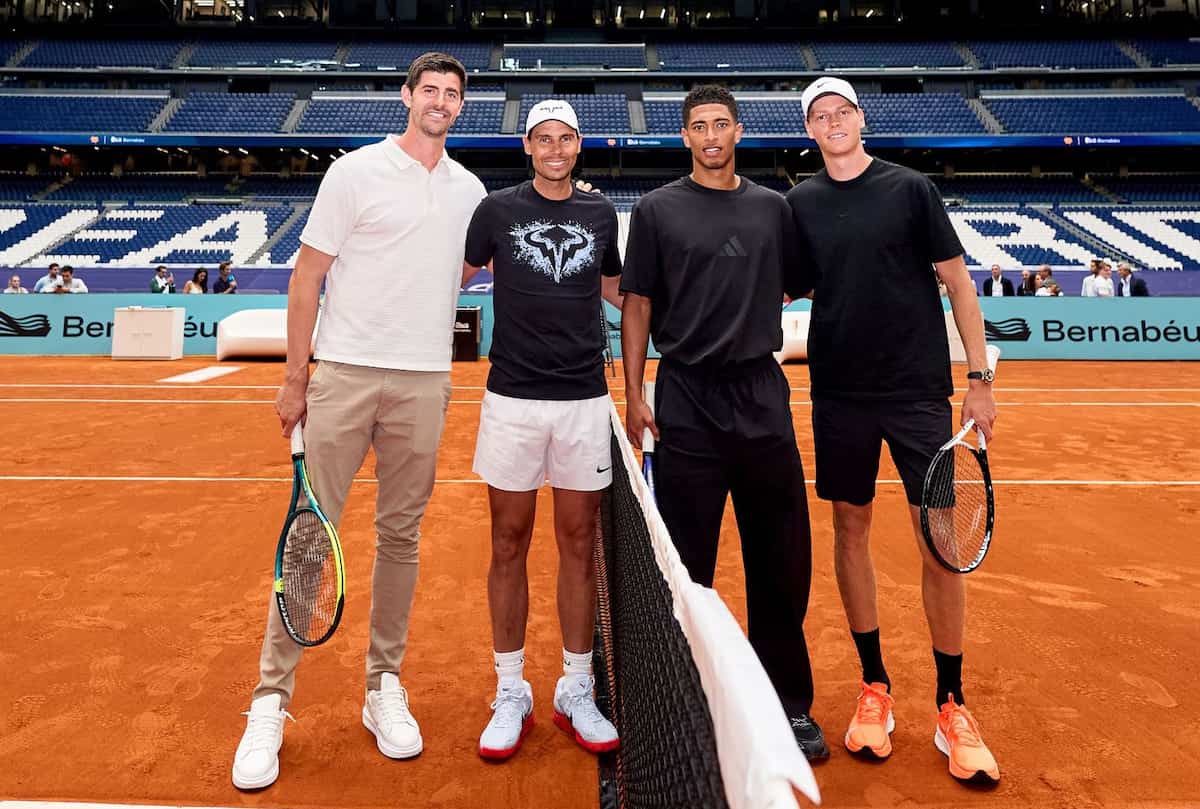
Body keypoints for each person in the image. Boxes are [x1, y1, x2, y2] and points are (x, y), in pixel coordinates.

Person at [232, 51, 486, 791]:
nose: (439, 101)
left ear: (462, 106)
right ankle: (271, 701)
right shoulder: (353, 172)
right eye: (429, 90)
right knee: (313, 534)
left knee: (401, 536)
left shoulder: (470, 191)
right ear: (407, 97)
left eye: (452, 94)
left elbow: (464, 272)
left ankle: (383, 687)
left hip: (425, 382)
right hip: (343, 374)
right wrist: (294, 377)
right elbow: (307, 275)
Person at [786, 76, 999, 783]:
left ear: (860, 119)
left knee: (938, 539)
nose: (833, 121)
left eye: (842, 110)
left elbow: (959, 282)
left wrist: (979, 380)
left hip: (915, 395)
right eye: (820, 115)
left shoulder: (911, 189)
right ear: (810, 131)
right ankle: (874, 685)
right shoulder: (800, 203)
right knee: (850, 529)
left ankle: (951, 700)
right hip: (839, 394)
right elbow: (773, 284)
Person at [621, 84, 827, 762]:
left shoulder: (775, 208)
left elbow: (796, 280)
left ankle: (786, 703)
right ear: (685, 136)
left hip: (761, 392)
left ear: (738, 130)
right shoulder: (656, 210)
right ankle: (687, 698)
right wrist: (634, 390)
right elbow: (639, 303)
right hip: (685, 395)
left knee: (781, 558)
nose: (711, 135)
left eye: (721, 124)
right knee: (687, 563)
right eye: (699, 125)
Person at [462, 99, 624, 761]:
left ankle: (576, 686)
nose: (555, 149)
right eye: (543, 139)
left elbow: (619, 290)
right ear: (528, 146)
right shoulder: (495, 211)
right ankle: (511, 689)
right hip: (512, 398)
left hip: (584, 397)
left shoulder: (600, 212)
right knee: (508, 539)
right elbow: (453, 275)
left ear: (578, 145)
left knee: (580, 541)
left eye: (566, 139)